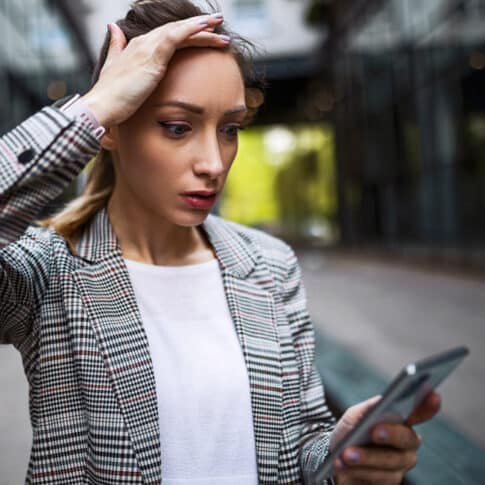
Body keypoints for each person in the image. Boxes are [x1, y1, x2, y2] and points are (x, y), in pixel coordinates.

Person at [0, 0, 440, 483]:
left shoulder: (270, 264)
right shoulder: (48, 270)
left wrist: (340, 458)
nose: (213, 161)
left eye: (230, 129)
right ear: (112, 127)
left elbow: (302, 444)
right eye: (177, 127)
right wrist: (91, 109)